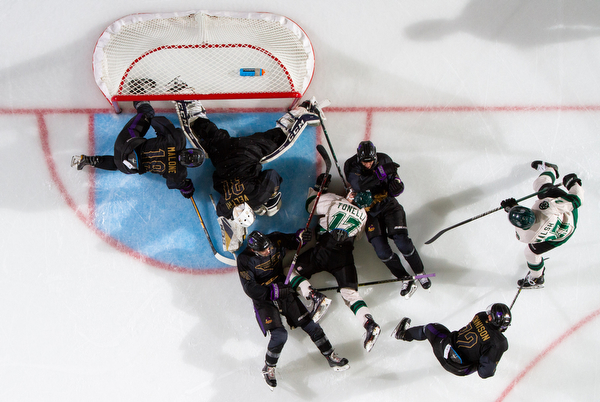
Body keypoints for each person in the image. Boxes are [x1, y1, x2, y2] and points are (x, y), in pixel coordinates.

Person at [178, 98, 321, 251]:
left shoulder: (258, 195)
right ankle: (193, 110)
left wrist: (271, 194)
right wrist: (232, 236)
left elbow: (272, 174)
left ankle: (299, 113)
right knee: (208, 135)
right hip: (222, 152)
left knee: (279, 140)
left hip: (248, 150)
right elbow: (224, 217)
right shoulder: (225, 206)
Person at [237, 230, 349, 390]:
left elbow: (292, 240)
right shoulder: (244, 259)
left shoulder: (274, 240)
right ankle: (268, 368)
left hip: (281, 287)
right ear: (253, 250)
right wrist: (271, 292)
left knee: (309, 322)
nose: (268, 251)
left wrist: (300, 236)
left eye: (268, 247)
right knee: (280, 335)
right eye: (264, 250)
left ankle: (330, 355)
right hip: (264, 297)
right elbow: (249, 288)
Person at [290, 174, 382, 352]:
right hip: (345, 256)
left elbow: (310, 205)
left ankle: (314, 297)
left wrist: (319, 188)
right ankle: (369, 323)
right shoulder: (363, 215)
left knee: (291, 270)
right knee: (351, 294)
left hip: (324, 250)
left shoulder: (335, 200)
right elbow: (359, 235)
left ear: (353, 195)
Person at [343, 140, 430, 299]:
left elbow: (395, 182)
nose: (368, 165)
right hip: (369, 212)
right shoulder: (351, 165)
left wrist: (397, 187)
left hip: (388, 205)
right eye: (364, 162)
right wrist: (380, 173)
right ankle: (404, 278)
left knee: (402, 242)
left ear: (375, 157)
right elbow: (360, 185)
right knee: (382, 252)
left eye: (370, 161)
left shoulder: (384, 160)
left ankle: (420, 272)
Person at [71, 101, 203, 199]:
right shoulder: (178, 174)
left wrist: (167, 131)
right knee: (121, 164)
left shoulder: (177, 139)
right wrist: (186, 187)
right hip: (127, 166)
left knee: (148, 113)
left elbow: (156, 121)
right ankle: (88, 160)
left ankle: (139, 97)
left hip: (125, 142)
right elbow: (178, 185)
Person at [501, 160, 584, 289]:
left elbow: (522, 224)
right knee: (540, 184)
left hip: (561, 236)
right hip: (568, 217)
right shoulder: (547, 207)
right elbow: (577, 199)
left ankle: (537, 277)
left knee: (530, 253)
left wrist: (511, 208)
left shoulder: (525, 236)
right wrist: (573, 183)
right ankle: (551, 170)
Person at [391, 303, 511, 378]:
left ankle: (402, 334)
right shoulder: (498, 343)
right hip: (459, 368)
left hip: (443, 346)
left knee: (429, 329)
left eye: (491, 315)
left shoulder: (481, 316)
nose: (488, 315)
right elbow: (485, 372)